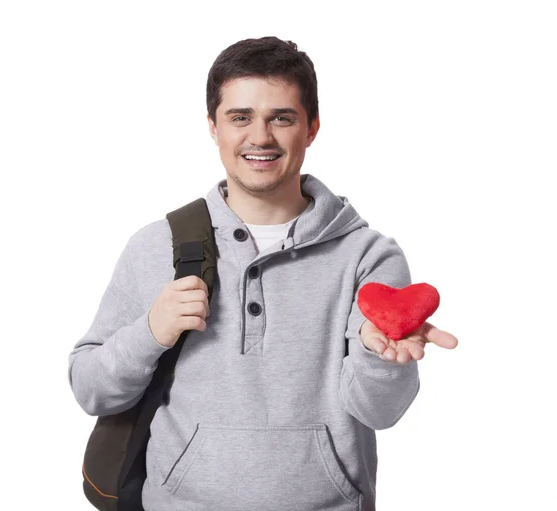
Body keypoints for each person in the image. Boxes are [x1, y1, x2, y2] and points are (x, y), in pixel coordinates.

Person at [68, 36, 458, 511]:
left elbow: (381, 411)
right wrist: (151, 331)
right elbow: (91, 390)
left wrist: (381, 360)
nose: (260, 137)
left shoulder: (367, 257)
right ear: (212, 127)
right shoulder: (157, 245)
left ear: (311, 128)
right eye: (240, 117)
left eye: (282, 117)